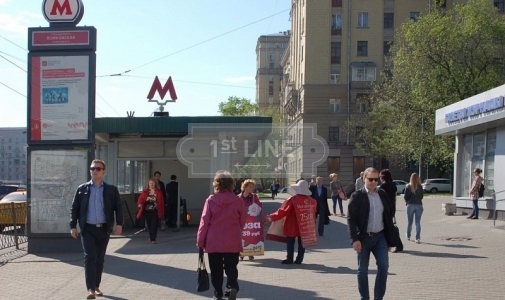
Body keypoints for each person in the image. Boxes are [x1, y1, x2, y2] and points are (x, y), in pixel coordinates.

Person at [69, 159, 123, 300]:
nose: (94, 171)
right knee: (89, 257)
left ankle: (97, 286)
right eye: (92, 168)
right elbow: (74, 208)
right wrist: (73, 226)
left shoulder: (111, 189)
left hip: (104, 229)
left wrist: (119, 223)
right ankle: (90, 289)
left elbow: (118, 207)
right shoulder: (82, 189)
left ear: (103, 171)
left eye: (98, 168)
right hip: (88, 229)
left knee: (99, 259)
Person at [347, 167, 396, 300]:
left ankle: (378, 297)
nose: (374, 182)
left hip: (380, 237)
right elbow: (351, 219)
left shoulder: (382, 194)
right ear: (364, 179)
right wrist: (355, 239)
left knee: (384, 266)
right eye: (370, 179)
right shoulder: (357, 196)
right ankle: (365, 298)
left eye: (376, 179)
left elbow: (388, 217)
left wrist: (390, 240)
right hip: (363, 238)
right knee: (362, 270)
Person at [197, 170, 245, 300]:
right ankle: (232, 286)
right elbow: (242, 220)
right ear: (231, 184)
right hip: (232, 238)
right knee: (231, 266)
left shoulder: (210, 200)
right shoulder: (238, 201)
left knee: (216, 268)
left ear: (216, 184)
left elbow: (204, 222)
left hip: (214, 240)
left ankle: (218, 293)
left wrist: (200, 241)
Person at [267, 180, 317, 264]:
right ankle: (299, 260)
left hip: (292, 224)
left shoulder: (292, 199)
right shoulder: (312, 201)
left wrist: (271, 217)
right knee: (302, 243)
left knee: (290, 242)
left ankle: (289, 259)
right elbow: (313, 214)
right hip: (305, 224)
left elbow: (282, 211)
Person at [239, 179, 263, 261]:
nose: (251, 188)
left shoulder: (254, 197)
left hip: (252, 221)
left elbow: (259, 207)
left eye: (252, 187)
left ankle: (250, 253)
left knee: (251, 235)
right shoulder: (239, 197)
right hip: (242, 220)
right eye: (250, 187)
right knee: (242, 236)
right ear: (245, 187)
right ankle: (241, 253)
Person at [136, 178, 165, 244]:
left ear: (155, 184)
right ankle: (151, 236)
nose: (151, 184)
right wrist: (145, 200)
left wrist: (162, 211)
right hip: (147, 211)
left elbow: (162, 202)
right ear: (148, 184)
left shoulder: (159, 192)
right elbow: (140, 200)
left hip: (156, 211)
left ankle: (153, 238)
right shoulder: (145, 192)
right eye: (150, 183)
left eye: (153, 183)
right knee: (149, 224)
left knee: (154, 224)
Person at [404, 173, 424, 244]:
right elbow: (422, 196)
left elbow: (406, 197)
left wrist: (407, 201)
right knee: (417, 222)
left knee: (409, 222)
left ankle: (408, 235)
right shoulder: (420, 186)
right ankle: (417, 238)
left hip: (410, 205)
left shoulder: (408, 186)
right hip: (419, 205)